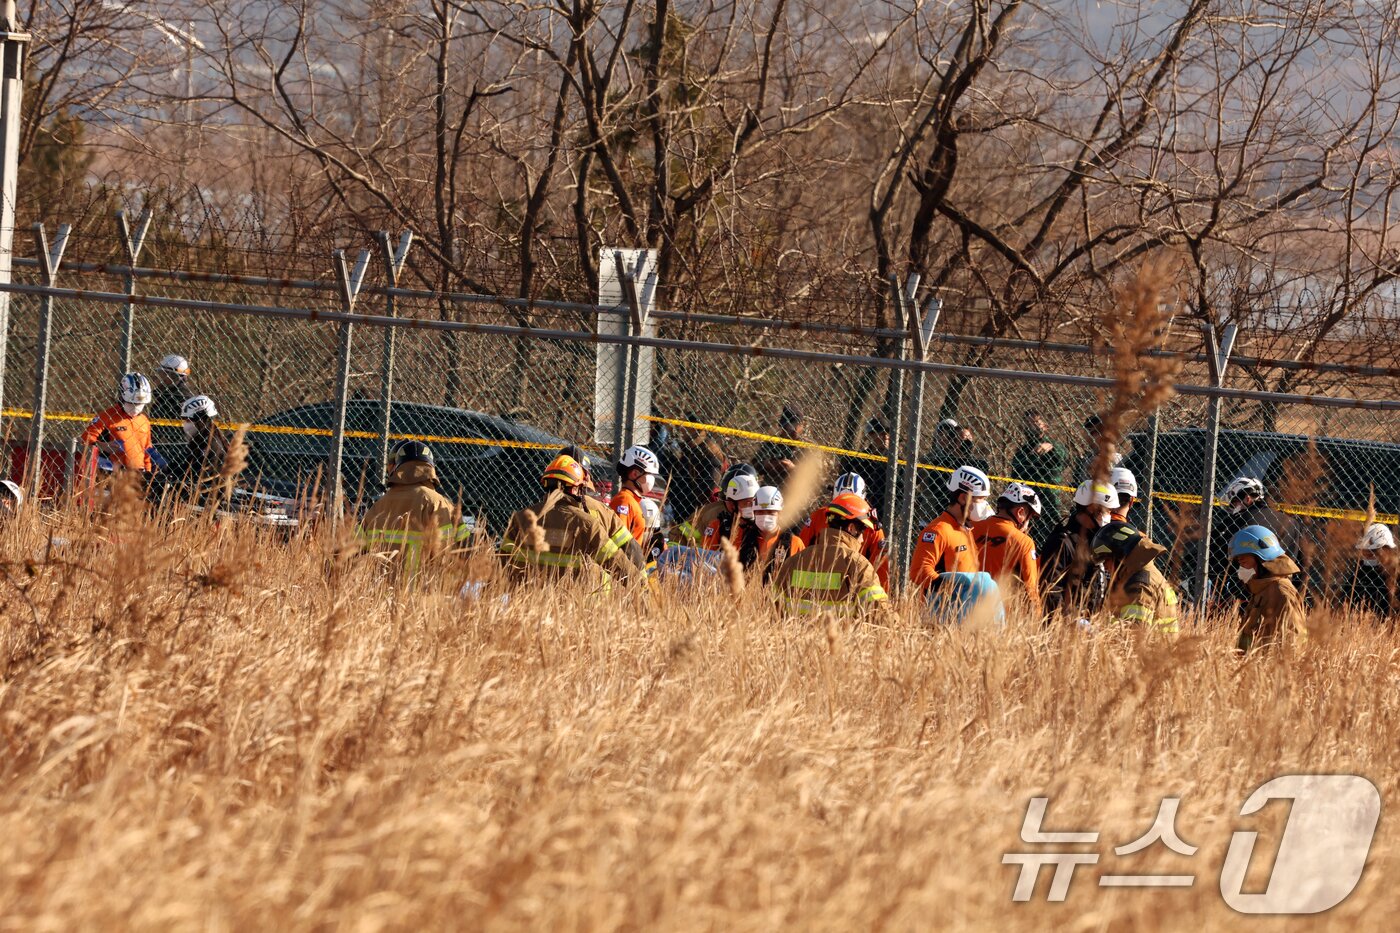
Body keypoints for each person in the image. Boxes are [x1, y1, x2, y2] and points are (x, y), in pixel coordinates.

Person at [499, 454, 645, 586]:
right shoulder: (587, 523)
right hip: (572, 606)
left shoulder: (522, 518)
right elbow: (615, 562)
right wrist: (641, 587)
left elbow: (501, 565)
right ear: (576, 488)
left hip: (529, 605)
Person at [771, 492, 891, 618]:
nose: (862, 539)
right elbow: (881, 613)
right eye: (862, 531)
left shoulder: (793, 562)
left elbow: (772, 612)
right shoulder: (858, 565)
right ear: (851, 528)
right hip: (841, 637)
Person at [360, 441, 467, 573]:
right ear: (431, 468)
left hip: (380, 590)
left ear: (397, 468)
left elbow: (352, 553)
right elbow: (465, 553)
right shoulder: (439, 504)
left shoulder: (377, 507)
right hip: (424, 589)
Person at [1213, 476, 1299, 604]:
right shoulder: (1291, 522)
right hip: (1284, 588)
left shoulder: (1238, 520)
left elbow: (1220, 555)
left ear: (1247, 498)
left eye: (1235, 503)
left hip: (1246, 591)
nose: (1234, 509)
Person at [1040, 480, 1119, 617]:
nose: (1110, 516)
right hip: (1065, 629)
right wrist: (1072, 621)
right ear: (1092, 508)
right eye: (1108, 511)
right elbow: (1050, 590)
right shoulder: (1063, 542)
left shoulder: (1095, 541)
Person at [798, 472, 890, 586]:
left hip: (854, 588)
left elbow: (881, 572)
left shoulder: (873, 528)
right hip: (814, 583)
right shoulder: (817, 517)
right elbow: (800, 551)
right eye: (841, 503)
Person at [909, 465, 989, 593]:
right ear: (963, 498)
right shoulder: (938, 530)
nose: (985, 504)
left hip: (965, 609)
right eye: (981, 499)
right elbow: (919, 571)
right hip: (940, 609)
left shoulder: (968, 529)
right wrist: (955, 591)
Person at [1089, 521, 1180, 632]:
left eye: (1106, 560)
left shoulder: (1139, 586)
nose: (1105, 567)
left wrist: (1093, 631)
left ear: (1120, 557)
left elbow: (1133, 636)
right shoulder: (1149, 573)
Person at [1230, 525, 1307, 651]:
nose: (1240, 562)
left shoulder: (1280, 591)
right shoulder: (1262, 588)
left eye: (1244, 558)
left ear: (1261, 556)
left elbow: (1294, 640)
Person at [972, 482, 1043, 616]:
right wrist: (1038, 620)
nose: (1028, 524)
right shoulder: (1024, 542)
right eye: (1030, 517)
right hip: (1000, 615)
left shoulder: (972, 529)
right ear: (1020, 512)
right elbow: (1031, 588)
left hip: (965, 607)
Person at [155, 394, 232, 503]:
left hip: (207, 497)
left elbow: (193, 473)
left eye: (188, 420)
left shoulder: (210, 444)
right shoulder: (205, 438)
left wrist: (170, 472)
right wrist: (169, 467)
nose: (185, 424)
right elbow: (189, 464)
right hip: (201, 492)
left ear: (200, 421)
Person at [81, 373, 157, 479]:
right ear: (122, 397)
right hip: (111, 473)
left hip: (138, 474)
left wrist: (148, 472)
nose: (135, 408)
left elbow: (147, 449)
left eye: (140, 405)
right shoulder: (107, 416)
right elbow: (86, 438)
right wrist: (102, 446)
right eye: (131, 403)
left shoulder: (144, 421)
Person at [1009, 410, 1067, 544]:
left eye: (1035, 422)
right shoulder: (1021, 452)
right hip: (1025, 505)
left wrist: (1052, 448)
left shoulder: (1054, 447)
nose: (1031, 426)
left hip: (1048, 504)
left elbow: (1063, 459)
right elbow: (1017, 475)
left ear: (1045, 426)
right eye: (1028, 423)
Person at [661, 415, 725, 527]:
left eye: (686, 427)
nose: (681, 430)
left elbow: (709, 488)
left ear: (696, 429)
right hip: (681, 507)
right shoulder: (688, 448)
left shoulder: (708, 451)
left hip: (695, 510)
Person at [736, 485, 805, 585]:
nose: (765, 516)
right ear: (754, 513)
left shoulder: (794, 542)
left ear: (780, 513)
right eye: (760, 512)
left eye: (770, 512)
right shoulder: (741, 539)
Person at [676, 461, 755, 545]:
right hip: (689, 549)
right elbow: (706, 550)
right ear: (732, 503)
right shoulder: (716, 516)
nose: (750, 506)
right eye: (746, 502)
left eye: (751, 501)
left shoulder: (734, 513)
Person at [836, 417, 891, 514]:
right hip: (856, 512)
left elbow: (901, 495)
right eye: (882, 433)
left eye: (888, 433)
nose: (886, 436)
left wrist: (888, 514)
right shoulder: (857, 461)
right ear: (871, 435)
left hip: (885, 516)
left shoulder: (898, 463)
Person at [611, 445, 660, 544]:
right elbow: (619, 542)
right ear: (635, 474)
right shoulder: (624, 501)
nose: (652, 479)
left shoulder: (632, 501)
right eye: (649, 474)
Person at [700, 471, 761, 551]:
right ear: (732, 505)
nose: (752, 506)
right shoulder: (718, 527)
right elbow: (706, 558)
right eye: (747, 503)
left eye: (754, 502)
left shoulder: (762, 528)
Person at [752, 405, 808, 487]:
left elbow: (816, 476)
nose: (788, 432)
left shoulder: (808, 447)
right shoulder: (773, 442)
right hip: (769, 490)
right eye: (786, 429)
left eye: (792, 429)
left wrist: (793, 468)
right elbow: (755, 464)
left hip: (796, 492)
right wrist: (772, 464)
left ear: (802, 425)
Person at [1351, 523, 1396, 619]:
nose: (1366, 555)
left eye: (1371, 551)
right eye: (1364, 551)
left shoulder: (1394, 574)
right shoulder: (1360, 570)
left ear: (1386, 549)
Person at [1077, 414, 1123, 482]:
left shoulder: (1117, 461)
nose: (1087, 437)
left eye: (1094, 432)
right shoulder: (1089, 460)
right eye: (1090, 433)